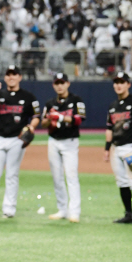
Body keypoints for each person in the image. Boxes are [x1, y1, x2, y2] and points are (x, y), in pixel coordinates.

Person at [0, 65, 40, 218]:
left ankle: (9, 209)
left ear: (20, 77)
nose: (11, 77)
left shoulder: (28, 96)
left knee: (12, 175)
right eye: (8, 75)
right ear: (5, 78)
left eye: (14, 74)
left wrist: (31, 127)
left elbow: (36, 116)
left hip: (16, 140)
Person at [104, 72, 132, 226]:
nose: (118, 85)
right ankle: (128, 214)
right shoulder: (112, 106)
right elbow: (110, 128)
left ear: (128, 84)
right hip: (117, 148)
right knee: (122, 182)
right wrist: (107, 148)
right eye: (116, 82)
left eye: (121, 82)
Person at [40, 73, 85, 223]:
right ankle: (62, 210)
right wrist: (49, 119)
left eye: (62, 82)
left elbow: (79, 119)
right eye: (57, 83)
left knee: (71, 176)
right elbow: (43, 123)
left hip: (70, 142)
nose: (59, 86)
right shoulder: (50, 103)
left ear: (68, 84)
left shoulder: (76, 100)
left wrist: (59, 117)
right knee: (57, 177)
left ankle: (75, 212)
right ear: (53, 85)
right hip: (54, 140)